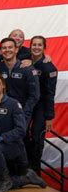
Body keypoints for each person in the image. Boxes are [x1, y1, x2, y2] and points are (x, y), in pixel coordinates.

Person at [0, 74, 46, 192]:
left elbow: (21, 130)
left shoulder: (13, 104)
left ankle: (6, 180)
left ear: (3, 86)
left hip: (14, 146)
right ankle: (27, 178)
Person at [29, 36, 58, 173]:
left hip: (40, 106)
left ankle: (35, 170)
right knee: (22, 134)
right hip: (27, 103)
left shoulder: (49, 67)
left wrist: (49, 117)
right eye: (34, 44)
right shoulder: (25, 60)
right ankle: (24, 168)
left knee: (36, 136)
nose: (36, 47)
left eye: (39, 45)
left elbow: (50, 94)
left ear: (44, 47)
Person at [0, 38, 40, 124]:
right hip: (4, 113)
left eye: (10, 47)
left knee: (19, 137)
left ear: (16, 49)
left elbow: (34, 95)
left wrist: (24, 113)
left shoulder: (28, 69)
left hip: (22, 113)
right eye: (4, 48)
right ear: (1, 51)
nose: (7, 50)